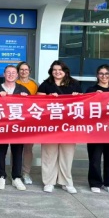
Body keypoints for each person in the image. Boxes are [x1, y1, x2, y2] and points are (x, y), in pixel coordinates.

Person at [37, 60, 82, 194]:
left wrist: (77, 97)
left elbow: (83, 102)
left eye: (60, 70)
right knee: (49, 154)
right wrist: (48, 98)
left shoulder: (74, 84)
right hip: (50, 126)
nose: (57, 72)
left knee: (67, 155)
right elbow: (38, 102)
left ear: (65, 71)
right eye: (54, 70)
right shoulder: (46, 84)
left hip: (69, 126)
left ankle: (66, 182)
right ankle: (49, 182)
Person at [0, 65, 30, 191]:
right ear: (4, 74)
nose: (11, 75)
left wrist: (26, 98)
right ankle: (1, 176)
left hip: (17, 127)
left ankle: (16, 177)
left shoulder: (22, 89)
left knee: (17, 152)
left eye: (13, 72)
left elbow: (31, 108)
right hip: (1, 126)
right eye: (8, 72)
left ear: (17, 75)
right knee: (0, 151)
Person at [85, 64, 109, 194]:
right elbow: (84, 108)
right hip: (96, 130)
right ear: (97, 75)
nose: (104, 76)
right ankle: (95, 182)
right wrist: (93, 96)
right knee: (95, 158)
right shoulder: (91, 90)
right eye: (101, 73)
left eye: (106, 74)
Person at [16, 62, 38, 185]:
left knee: (28, 148)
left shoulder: (35, 84)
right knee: (16, 148)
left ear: (29, 71)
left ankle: (26, 172)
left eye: (26, 69)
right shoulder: (13, 82)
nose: (24, 72)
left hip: (30, 120)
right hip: (16, 119)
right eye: (21, 69)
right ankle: (16, 172)